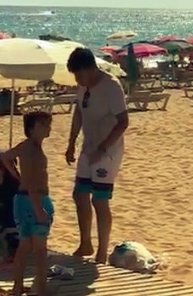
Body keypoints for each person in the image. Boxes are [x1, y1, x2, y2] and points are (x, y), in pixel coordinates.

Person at [65, 47, 129, 264]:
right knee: (79, 194)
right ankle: (85, 243)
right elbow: (78, 113)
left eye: (79, 75)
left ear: (90, 69)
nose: (78, 80)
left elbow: (123, 122)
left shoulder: (111, 86)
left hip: (108, 150)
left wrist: (102, 149)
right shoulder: (83, 86)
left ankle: (102, 252)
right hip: (88, 146)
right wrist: (71, 142)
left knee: (99, 200)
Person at [2, 111, 54, 296]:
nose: (47, 127)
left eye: (48, 124)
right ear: (32, 128)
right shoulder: (32, 150)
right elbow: (32, 180)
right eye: (42, 124)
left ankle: (18, 285)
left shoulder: (25, 146)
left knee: (24, 245)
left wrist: (17, 175)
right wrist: (38, 207)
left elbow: (5, 156)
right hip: (34, 198)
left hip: (21, 199)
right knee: (40, 248)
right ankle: (41, 287)